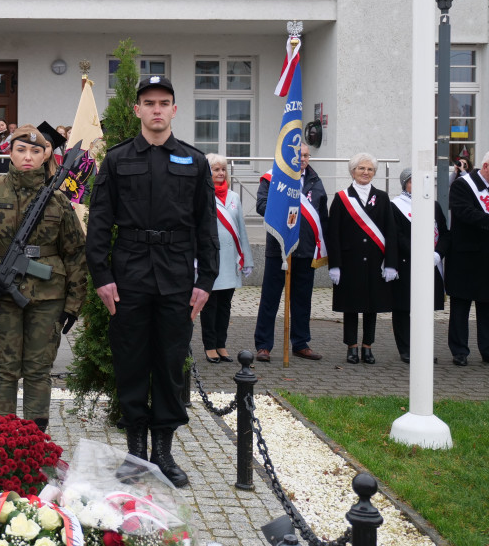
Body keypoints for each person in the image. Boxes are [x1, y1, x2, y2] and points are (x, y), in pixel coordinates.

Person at [85, 75, 218, 488]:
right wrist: (102, 277)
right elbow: (100, 222)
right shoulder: (117, 159)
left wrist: (206, 280)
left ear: (174, 110)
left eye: (164, 103)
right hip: (130, 277)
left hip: (177, 277)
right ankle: (135, 453)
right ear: (137, 109)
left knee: (169, 365)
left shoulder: (194, 162)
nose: (156, 109)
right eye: (149, 102)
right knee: (131, 364)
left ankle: (163, 452)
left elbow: (206, 225)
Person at [0, 124, 87, 431]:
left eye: (36, 151)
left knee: (39, 370)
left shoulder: (58, 199)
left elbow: (76, 252)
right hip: (2, 294)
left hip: (48, 297)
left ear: (45, 155)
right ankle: (3, 439)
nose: (28, 157)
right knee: (5, 369)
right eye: (21, 150)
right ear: (9, 152)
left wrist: (74, 303)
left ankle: (35, 442)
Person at [253, 142, 328, 362]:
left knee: (302, 300)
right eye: (299, 155)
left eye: (306, 155)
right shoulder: (273, 178)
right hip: (279, 248)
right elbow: (261, 205)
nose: (303, 159)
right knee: (270, 298)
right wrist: (283, 211)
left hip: (305, 249)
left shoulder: (315, 181)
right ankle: (264, 345)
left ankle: (301, 343)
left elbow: (322, 214)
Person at [326, 152, 398, 364]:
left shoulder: (383, 197)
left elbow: (391, 231)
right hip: (350, 262)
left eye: (370, 169)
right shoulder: (341, 198)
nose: (366, 172)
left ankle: (367, 346)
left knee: (371, 305)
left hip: (375, 261)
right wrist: (335, 265)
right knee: (351, 305)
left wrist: (391, 263)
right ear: (353, 171)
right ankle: (352, 346)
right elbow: (333, 233)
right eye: (361, 168)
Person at [389, 167, 448, 363]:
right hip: (407, 264)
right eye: (413, 181)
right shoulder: (396, 206)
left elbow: (444, 235)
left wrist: (437, 254)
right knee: (404, 308)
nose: (419, 185)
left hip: (431, 264)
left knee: (424, 309)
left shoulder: (434, 206)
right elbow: (398, 236)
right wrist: (420, 254)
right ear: (405, 184)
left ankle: (423, 349)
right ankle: (405, 349)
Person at [201, 153, 252, 363]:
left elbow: (241, 229)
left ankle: (221, 344)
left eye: (223, 169)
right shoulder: (202, 195)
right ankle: (209, 346)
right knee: (210, 305)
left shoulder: (234, 197)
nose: (221, 173)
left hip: (230, 260)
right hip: (210, 259)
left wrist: (246, 259)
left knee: (225, 306)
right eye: (216, 169)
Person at [445, 150, 489, 366]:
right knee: (460, 306)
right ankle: (459, 351)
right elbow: (464, 212)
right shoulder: (463, 185)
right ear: (486, 166)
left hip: (486, 259)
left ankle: (487, 350)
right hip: (465, 257)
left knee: (487, 307)